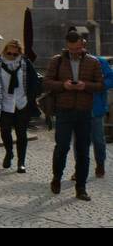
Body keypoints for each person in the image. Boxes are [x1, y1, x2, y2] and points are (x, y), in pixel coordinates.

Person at [43, 27, 105, 200]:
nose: (75, 52)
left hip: (84, 112)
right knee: (61, 147)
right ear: (66, 46)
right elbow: (47, 82)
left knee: (83, 150)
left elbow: (100, 85)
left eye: (77, 49)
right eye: (71, 49)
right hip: (64, 111)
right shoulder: (57, 60)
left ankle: (81, 187)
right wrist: (64, 85)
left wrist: (85, 86)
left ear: (82, 44)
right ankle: (56, 178)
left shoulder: (93, 62)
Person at [0, 38, 41, 173]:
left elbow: (35, 82)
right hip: (5, 103)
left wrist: (31, 98)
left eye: (15, 54)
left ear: (19, 53)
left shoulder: (25, 63)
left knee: (21, 134)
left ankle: (21, 162)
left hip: (21, 103)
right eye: (9, 53)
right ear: (5, 51)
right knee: (5, 131)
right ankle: (9, 152)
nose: (12, 56)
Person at [90, 54, 112, 179]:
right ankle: (79, 168)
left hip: (96, 107)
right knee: (79, 141)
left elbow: (111, 79)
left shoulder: (99, 62)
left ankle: (100, 164)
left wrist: (100, 85)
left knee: (98, 139)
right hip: (77, 108)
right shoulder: (68, 62)